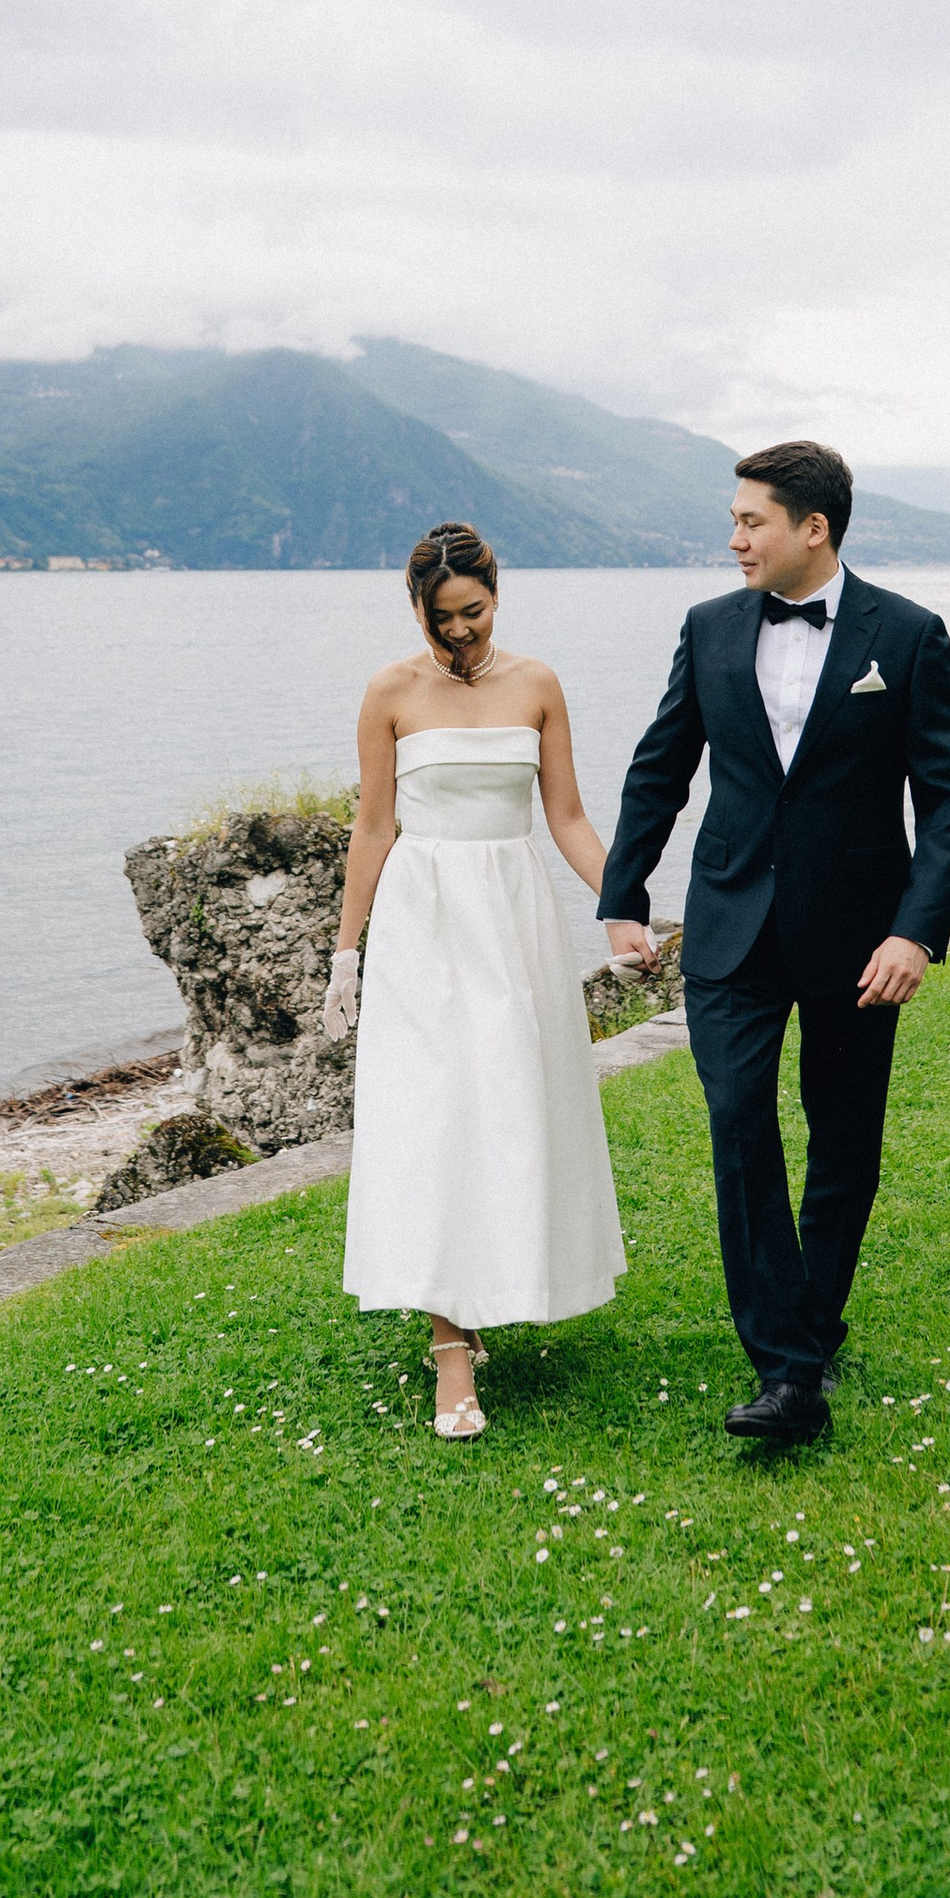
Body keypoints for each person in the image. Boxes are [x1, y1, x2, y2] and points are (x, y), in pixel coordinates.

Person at [598, 439, 950, 1449]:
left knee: (842, 1140)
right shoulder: (708, 627)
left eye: (750, 520)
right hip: (729, 923)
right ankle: (787, 1366)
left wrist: (915, 930)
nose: (733, 539)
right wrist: (622, 891)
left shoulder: (907, 635)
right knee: (737, 1122)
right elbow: (660, 763)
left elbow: (948, 800)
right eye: (733, 520)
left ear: (813, 527)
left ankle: (809, 1326)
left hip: (861, 935)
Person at [327, 520, 627, 1437]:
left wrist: (621, 904)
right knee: (432, 1113)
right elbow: (373, 830)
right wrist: (347, 953)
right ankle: (449, 1344)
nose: (459, 633)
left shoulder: (537, 685)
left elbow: (566, 815)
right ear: (414, 610)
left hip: (513, 918)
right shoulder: (389, 691)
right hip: (424, 923)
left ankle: (500, 1281)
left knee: (510, 1107)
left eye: (474, 612)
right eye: (439, 618)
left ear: (496, 594)